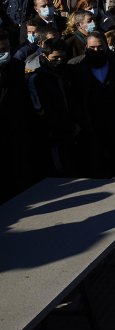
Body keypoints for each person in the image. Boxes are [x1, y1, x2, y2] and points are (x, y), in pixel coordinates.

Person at [68, 31, 115, 178]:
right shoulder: (76, 65)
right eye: (92, 48)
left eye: (100, 47)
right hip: (91, 117)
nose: (96, 51)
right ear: (86, 47)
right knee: (95, 154)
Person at [26, 38, 78, 178]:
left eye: (62, 57)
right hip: (52, 133)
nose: (59, 60)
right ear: (44, 57)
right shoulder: (37, 78)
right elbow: (38, 107)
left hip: (71, 128)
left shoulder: (69, 73)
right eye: (55, 58)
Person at [0, 28, 32, 203]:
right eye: (0, 51)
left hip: (15, 128)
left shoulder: (15, 67)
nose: (5, 53)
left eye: (7, 49)